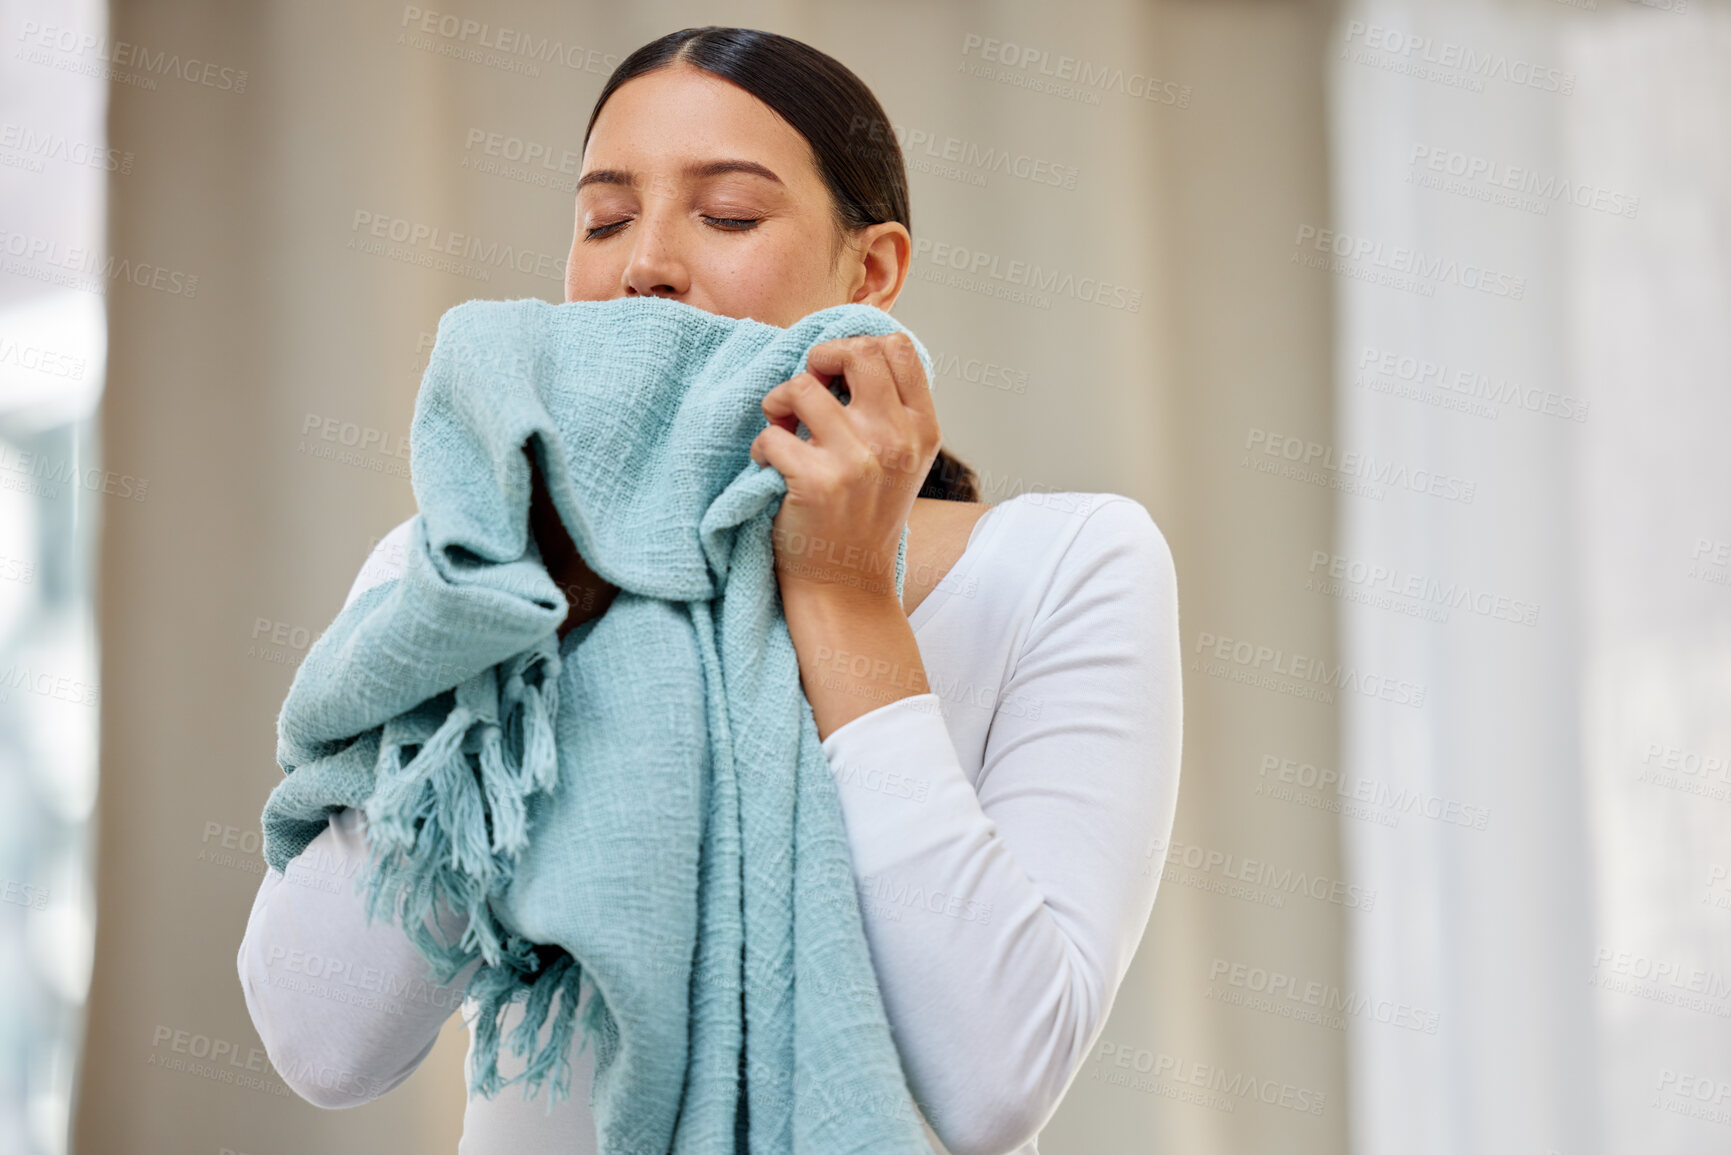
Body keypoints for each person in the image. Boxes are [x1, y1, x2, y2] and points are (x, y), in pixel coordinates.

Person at [237, 25, 1182, 1155]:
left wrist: (840, 598)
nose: (647, 264)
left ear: (871, 273)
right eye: (604, 218)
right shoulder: (465, 568)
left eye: (727, 214)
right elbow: (323, 1043)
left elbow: (994, 1084)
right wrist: (531, 597)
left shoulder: (1066, 566)